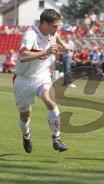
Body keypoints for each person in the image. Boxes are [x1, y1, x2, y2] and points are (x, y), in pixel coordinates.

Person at [13, 9, 71, 153]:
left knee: (49, 101)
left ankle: (56, 139)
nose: (57, 29)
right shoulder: (31, 34)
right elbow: (22, 56)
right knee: (25, 115)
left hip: (42, 76)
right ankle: (26, 135)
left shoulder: (51, 32)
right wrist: (45, 52)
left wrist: (63, 45)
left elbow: (55, 36)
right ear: (44, 24)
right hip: (23, 79)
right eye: (55, 26)